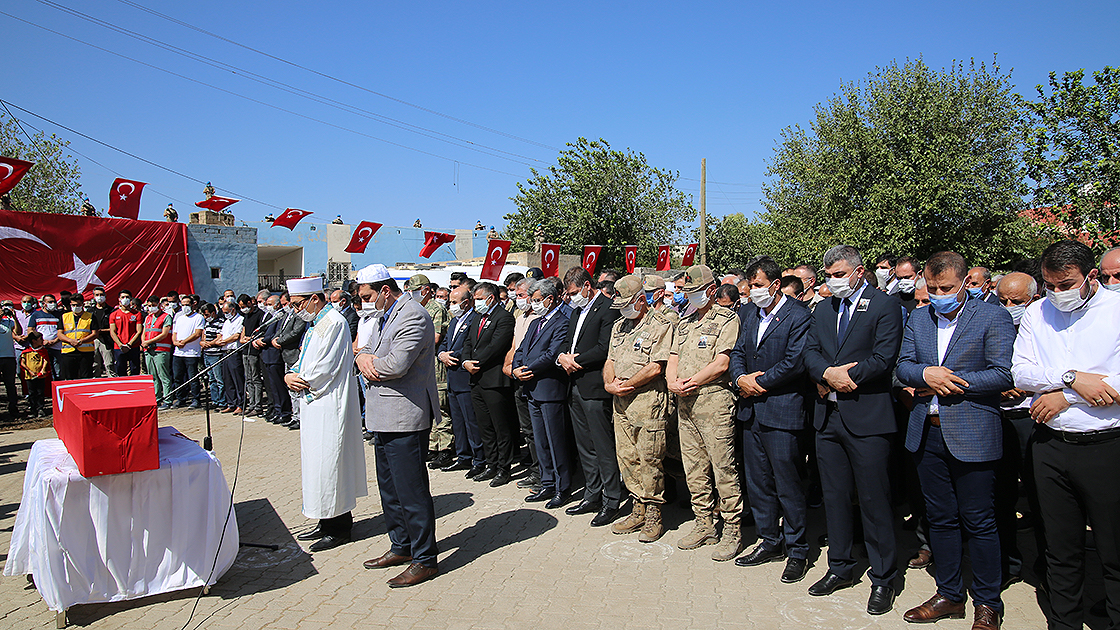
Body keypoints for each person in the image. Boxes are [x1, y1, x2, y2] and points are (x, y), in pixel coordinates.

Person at [896, 251, 1014, 630]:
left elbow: (1002, 374)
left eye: (946, 288)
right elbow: (903, 367)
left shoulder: (992, 316)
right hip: (926, 433)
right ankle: (949, 594)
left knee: (979, 521)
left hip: (972, 432)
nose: (938, 295)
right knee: (940, 518)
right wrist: (925, 374)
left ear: (964, 282)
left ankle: (987, 602)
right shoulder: (920, 317)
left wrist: (947, 381)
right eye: (932, 288)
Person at [1012, 239, 1120, 630]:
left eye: (1066, 284)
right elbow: (1022, 373)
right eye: (1050, 284)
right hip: (1050, 446)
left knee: (1114, 552)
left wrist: (1063, 396)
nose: (1057, 293)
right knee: (1060, 551)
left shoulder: (1116, 310)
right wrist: (1073, 380)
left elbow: (1116, 386)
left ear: (1091, 276)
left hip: (1106, 447)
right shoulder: (1036, 312)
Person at [802, 244, 903, 616]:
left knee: (874, 501)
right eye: (829, 276)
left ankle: (883, 577)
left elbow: (884, 356)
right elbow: (810, 351)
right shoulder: (825, 308)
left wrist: (847, 377)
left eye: (840, 274)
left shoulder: (884, 305)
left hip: (867, 418)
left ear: (859, 272)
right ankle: (840, 567)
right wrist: (826, 374)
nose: (833, 281)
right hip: (828, 418)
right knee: (835, 497)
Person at [353, 264, 439, 587]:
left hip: (405, 417)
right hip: (383, 416)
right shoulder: (384, 316)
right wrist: (363, 358)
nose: (364, 303)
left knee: (411, 491)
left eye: (367, 297)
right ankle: (401, 545)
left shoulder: (413, 315)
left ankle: (425, 559)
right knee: (390, 489)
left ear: (385, 291)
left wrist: (366, 361)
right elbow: (365, 351)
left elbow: (395, 365)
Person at [729, 257, 813, 583]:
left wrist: (759, 382)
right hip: (751, 411)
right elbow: (738, 352)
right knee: (758, 482)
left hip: (782, 411)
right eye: (750, 286)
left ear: (776, 285)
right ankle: (769, 541)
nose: (753, 291)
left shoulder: (798, 315)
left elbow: (795, 362)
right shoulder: (749, 313)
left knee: (787, 484)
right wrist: (740, 379)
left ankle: (797, 550)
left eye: (759, 285)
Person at [666, 264, 743, 562]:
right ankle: (704, 524)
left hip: (713, 402)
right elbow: (673, 356)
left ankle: (732, 529)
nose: (690, 296)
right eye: (687, 291)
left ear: (711, 290)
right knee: (694, 468)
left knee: (723, 467)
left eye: (695, 291)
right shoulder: (684, 322)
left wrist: (692, 382)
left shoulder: (727, 319)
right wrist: (672, 381)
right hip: (685, 404)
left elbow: (722, 363)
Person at [285, 276, 368, 554]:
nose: (296, 310)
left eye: (298, 304)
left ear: (314, 299)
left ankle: (339, 528)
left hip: (328, 402)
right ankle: (324, 520)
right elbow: (305, 359)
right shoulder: (316, 324)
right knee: (317, 465)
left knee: (331, 464)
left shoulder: (334, 322)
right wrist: (290, 373)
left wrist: (299, 379)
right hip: (315, 405)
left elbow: (324, 368)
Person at [604, 274, 673, 542]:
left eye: (626, 304)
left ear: (641, 300)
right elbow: (610, 359)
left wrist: (628, 384)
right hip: (621, 402)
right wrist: (609, 384)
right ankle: (638, 507)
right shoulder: (619, 326)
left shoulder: (660, 325)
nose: (622, 310)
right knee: (627, 457)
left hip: (647, 402)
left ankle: (654, 513)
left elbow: (656, 366)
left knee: (650, 459)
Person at [556, 267, 623, 525]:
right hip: (574, 385)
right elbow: (567, 343)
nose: (571, 298)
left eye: (574, 292)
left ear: (587, 286)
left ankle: (612, 499)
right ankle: (592, 493)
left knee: (602, 445)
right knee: (585, 445)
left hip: (594, 386)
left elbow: (604, 347)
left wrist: (576, 360)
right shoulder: (576, 311)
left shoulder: (608, 308)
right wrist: (562, 357)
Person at [993, 271, 1041, 592]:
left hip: (1033, 420)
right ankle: (1007, 563)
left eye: (1016, 301)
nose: (1009, 307)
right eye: (1003, 301)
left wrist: (1028, 384)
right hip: (997, 418)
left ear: (1033, 299)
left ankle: (1048, 569)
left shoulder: (1045, 326)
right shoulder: (991, 323)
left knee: (1041, 499)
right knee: (1001, 498)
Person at [513, 276, 573, 509]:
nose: (533, 304)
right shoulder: (535, 322)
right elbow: (521, 349)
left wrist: (527, 369)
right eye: (532, 299)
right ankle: (547, 482)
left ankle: (562, 487)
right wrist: (517, 368)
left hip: (550, 389)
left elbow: (551, 354)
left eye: (538, 300)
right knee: (541, 441)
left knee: (556, 441)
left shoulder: (562, 321)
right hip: (532, 390)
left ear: (550, 299)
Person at [461, 282, 517, 486]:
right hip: (476, 379)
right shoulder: (478, 317)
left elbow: (496, 346)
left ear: (490, 298)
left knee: (501, 427)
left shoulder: (504, 318)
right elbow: (468, 342)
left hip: (494, 380)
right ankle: (491, 464)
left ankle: (504, 468)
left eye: (478, 299)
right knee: (485, 426)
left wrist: (476, 362)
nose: (475, 303)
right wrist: (465, 361)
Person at [437, 285, 484, 474]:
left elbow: (470, 346)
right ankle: (463, 456)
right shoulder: (454, 321)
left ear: (465, 303)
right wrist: (441, 354)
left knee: (471, 421)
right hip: (452, 379)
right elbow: (444, 343)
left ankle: (479, 459)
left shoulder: (475, 319)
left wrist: (452, 355)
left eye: (454, 302)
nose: (451, 305)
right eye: (450, 302)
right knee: (458, 421)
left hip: (465, 378)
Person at [503, 277, 542, 489]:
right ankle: (536, 470)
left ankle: (544, 472)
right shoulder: (520, 318)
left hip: (533, 378)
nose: (517, 299)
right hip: (518, 378)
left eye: (521, 295)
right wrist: (508, 365)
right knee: (527, 429)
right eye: (516, 295)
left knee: (539, 430)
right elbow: (514, 346)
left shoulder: (540, 319)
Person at [410, 274, 453, 466]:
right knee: (428, 407)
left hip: (435, 365)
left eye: (415, 291)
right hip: (423, 365)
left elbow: (435, 338)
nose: (412, 294)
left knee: (440, 407)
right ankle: (433, 446)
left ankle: (445, 448)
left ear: (426, 290)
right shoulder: (416, 308)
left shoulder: (436, 309)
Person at [273, 291, 306, 429]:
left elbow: (295, 332)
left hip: (294, 355)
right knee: (290, 389)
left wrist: (280, 341)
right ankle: (295, 416)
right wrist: (275, 338)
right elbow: (280, 330)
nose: (285, 306)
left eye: (286, 303)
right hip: (285, 355)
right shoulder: (286, 315)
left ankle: (300, 417)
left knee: (296, 387)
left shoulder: (299, 315)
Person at [171, 295, 205, 408]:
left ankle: (196, 399)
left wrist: (184, 341)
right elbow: (174, 333)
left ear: (192, 305)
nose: (185, 307)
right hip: (178, 352)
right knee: (178, 377)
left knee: (192, 377)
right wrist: (175, 342)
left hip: (192, 353)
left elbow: (197, 333)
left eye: (187, 304)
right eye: (183, 305)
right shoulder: (179, 318)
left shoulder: (198, 317)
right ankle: (181, 398)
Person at [140, 296, 174, 408]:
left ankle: (168, 399)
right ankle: (157, 398)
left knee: (163, 375)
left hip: (161, 350)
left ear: (158, 304)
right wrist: (144, 342)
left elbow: (164, 334)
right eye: (149, 305)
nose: (151, 308)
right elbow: (144, 332)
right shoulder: (148, 318)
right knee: (153, 376)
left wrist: (149, 341)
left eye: (153, 305)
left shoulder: (166, 317)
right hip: (148, 350)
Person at [58, 295, 97, 379]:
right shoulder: (64, 317)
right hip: (68, 351)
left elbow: (95, 333)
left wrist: (81, 341)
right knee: (70, 377)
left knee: (86, 377)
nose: (76, 307)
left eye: (78, 305)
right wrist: (70, 341)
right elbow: (60, 334)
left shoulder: (90, 316)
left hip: (86, 351)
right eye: (73, 305)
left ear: (82, 304)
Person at [217, 300, 245, 414]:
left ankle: (241, 403)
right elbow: (222, 334)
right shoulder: (226, 322)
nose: (225, 314)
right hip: (225, 352)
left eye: (226, 312)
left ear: (233, 310)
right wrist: (218, 341)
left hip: (234, 351)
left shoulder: (240, 319)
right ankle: (231, 403)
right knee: (227, 379)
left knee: (237, 379)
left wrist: (224, 341)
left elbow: (236, 336)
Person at [199, 303, 227, 410]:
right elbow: (203, 337)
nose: (205, 317)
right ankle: (215, 400)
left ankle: (222, 401)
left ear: (213, 313)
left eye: (207, 314)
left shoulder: (220, 322)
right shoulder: (207, 324)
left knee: (219, 379)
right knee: (211, 379)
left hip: (216, 354)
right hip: (207, 354)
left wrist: (210, 344)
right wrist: (203, 343)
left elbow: (219, 338)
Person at [109, 290, 143, 376]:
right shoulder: (113, 314)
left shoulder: (137, 314)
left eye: (127, 297)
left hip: (133, 346)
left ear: (131, 299)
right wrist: (120, 345)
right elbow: (112, 332)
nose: (125, 299)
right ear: (119, 299)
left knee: (135, 370)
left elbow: (139, 331)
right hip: (119, 347)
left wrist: (129, 344)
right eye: (123, 297)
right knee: (120, 371)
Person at [20, 332, 49, 417]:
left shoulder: (43, 351)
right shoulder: (27, 351)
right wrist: (29, 371)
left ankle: (40, 408)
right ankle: (33, 409)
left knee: (40, 392)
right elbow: (22, 363)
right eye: (40, 339)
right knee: (31, 393)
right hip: (30, 376)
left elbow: (45, 360)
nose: (42, 341)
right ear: (34, 340)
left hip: (40, 376)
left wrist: (43, 370)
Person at [0, 305, 21, 418]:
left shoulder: (9, 322)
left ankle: (13, 407)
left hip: (8, 357)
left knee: (10, 384)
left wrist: (14, 318)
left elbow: (18, 332)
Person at [89, 287, 114, 377]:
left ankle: (112, 381)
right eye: (97, 295)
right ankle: (96, 381)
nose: (99, 297)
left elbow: (114, 328)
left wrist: (101, 331)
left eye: (101, 295)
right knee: (95, 364)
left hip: (106, 340)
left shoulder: (110, 310)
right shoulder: (90, 311)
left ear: (105, 296)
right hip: (93, 340)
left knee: (109, 363)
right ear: (94, 296)